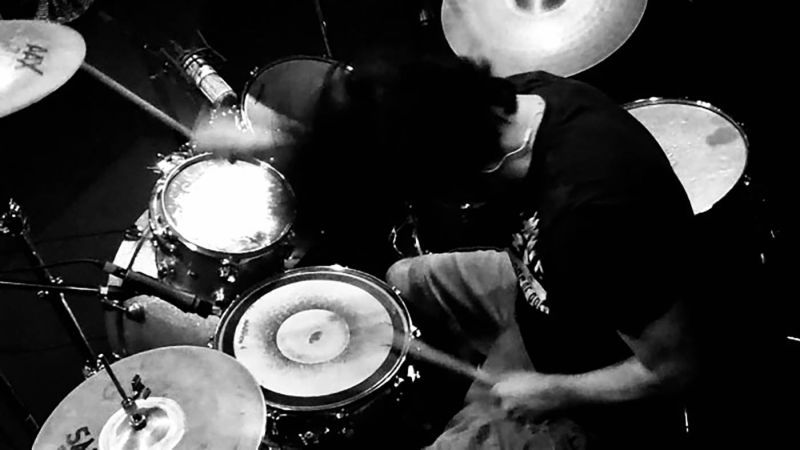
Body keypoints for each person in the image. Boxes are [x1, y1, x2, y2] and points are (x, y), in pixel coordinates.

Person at [293, 54, 700, 450]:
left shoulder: (596, 217)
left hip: (594, 376)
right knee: (402, 280)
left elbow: (672, 368)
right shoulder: (515, 99)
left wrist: (553, 391)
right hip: (546, 292)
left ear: (452, 174)